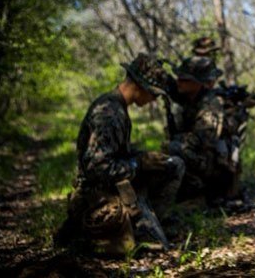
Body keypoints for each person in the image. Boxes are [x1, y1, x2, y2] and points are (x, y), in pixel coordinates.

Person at [56, 53, 185, 256]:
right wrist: (139, 163)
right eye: (154, 94)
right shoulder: (109, 112)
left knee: (173, 165)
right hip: (99, 196)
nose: (153, 100)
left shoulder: (118, 108)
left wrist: (144, 157)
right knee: (157, 247)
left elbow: (116, 155)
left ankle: (146, 220)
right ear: (140, 86)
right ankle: (90, 233)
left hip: (117, 186)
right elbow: (97, 169)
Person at [167, 56, 236, 202]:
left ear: (199, 83)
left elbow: (202, 140)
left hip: (212, 164)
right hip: (200, 157)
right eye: (179, 77)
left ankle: (200, 191)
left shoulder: (210, 105)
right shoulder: (189, 96)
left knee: (174, 147)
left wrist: (174, 143)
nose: (178, 82)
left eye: (185, 79)